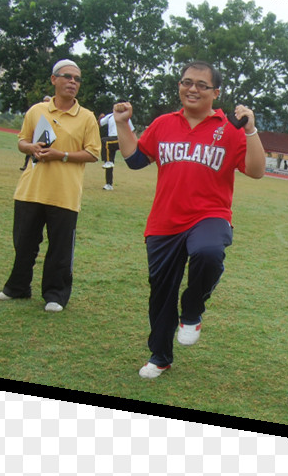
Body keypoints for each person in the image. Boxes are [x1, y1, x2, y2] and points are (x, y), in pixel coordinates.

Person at [111, 61, 266, 379]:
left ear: (216, 92)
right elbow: (136, 159)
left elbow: (256, 170)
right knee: (161, 293)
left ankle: (193, 310)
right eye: (186, 82)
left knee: (208, 252)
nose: (192, 89)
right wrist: (122, 123)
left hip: (210, 216)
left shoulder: (230, 130)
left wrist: (250, 130)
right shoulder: (164, 123)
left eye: (201, 84)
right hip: (164, 222)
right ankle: (160, 356)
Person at [0, 60, 101, 312]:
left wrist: (60, 155)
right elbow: (22, 141)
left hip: (65, 193)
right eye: (67, 77)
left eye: (77, 79)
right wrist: (30, 148)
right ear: (54, 79)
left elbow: (93, 153)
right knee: (24, 243)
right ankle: (17, 288)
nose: (73, 82)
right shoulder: (36, 111)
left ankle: (55, 295)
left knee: (60, 248)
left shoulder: (86, 117)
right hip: (31, 189)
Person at [99, 110, 133, 190]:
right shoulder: (110, 116)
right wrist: (100, 118)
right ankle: (109, 184)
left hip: (121, 138)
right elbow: (99, 124)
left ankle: (108, 161)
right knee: (109, 162)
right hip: (111, 140)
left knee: (104, 140)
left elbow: (131, 130)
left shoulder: (126, 117)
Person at [20, 96, 53, 171]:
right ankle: (26, 165)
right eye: (44, 101)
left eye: (47, 101)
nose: (45, 103)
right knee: (31, 150)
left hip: (46, 137)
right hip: (35, 136)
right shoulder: (36, 110)